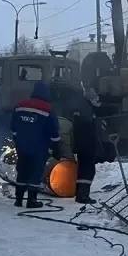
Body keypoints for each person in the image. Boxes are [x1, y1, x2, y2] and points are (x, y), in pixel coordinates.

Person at [10, 80, 62, 209]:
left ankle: (18, 199)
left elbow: (13, 127)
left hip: (22, 145)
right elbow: (54, 131)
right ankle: (31, 201)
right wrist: (57, 148)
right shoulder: (48, 109)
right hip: (38, 147)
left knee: (22, 171)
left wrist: (17, 141)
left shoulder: (20, 105)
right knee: (35, 172)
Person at [68, 92, 108, 204]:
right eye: (96, 98)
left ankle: (79, 193)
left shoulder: (81, 107)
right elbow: (89, 125)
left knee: (83, 169)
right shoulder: (86, 109)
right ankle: (83, 196)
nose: (98, 100)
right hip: (87, 144)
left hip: (81, 144)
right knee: (88, 170)